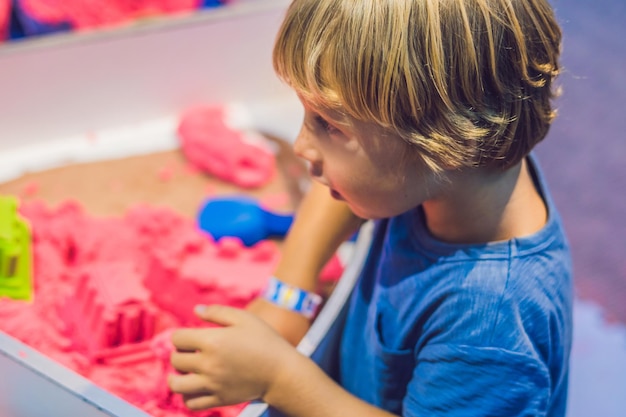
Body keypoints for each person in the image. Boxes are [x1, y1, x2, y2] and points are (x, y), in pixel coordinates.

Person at [167, 0, 573, 416]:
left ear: (447, 140)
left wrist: (281, 379)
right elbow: (347, 183)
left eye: (330, 125)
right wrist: (288, 293)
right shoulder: (461, 167)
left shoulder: (492, 326)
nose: (303, 146)